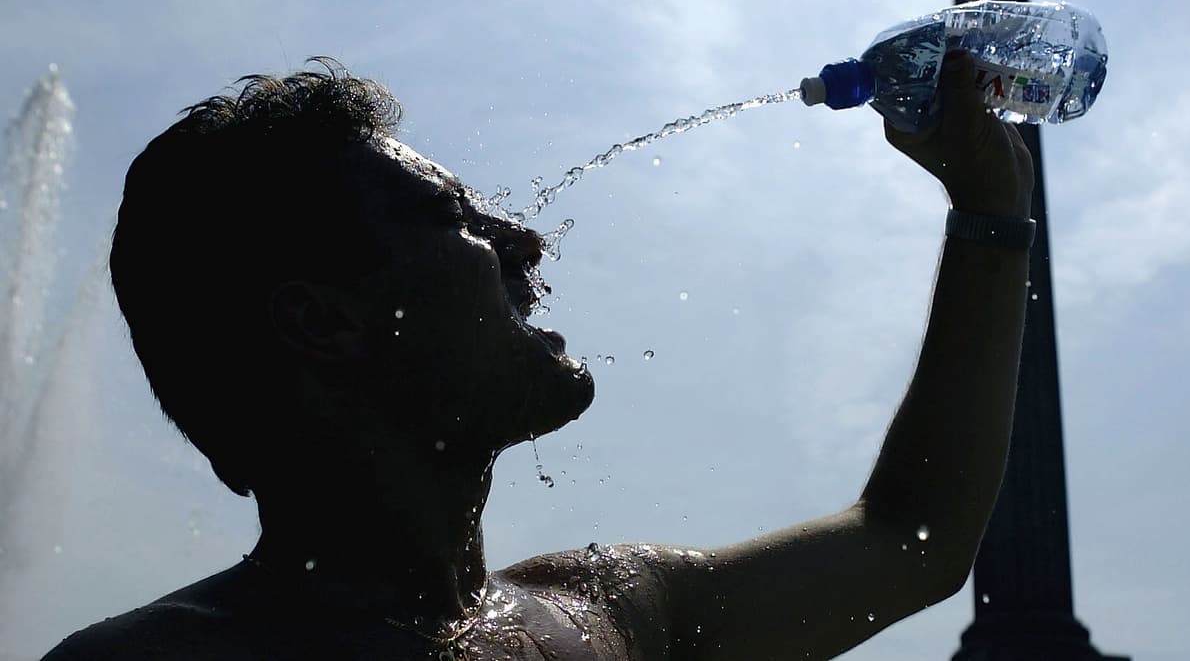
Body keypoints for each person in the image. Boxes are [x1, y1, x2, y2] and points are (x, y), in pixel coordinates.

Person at [42, 50, 1034, 660]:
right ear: (326, 322)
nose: (524, 240)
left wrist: (990, 211)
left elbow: (915, 535)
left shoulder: (608, 610)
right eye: (453, 218)